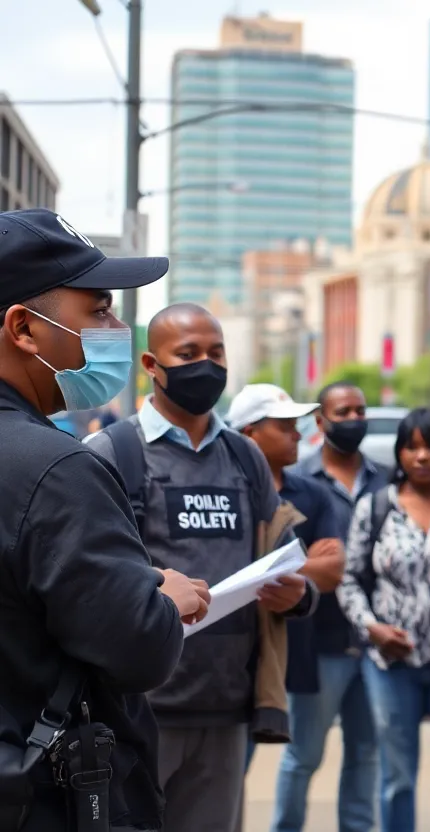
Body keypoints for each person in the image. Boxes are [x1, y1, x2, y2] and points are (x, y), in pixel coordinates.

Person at [0, 208, 210, 831]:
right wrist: (163, 599)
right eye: (98, 310)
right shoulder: (56, 470)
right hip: (42, 800)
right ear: (23, 328)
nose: (120, 327)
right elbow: (137, 651)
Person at [85, 303, 318, 832]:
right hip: (138, 708)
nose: (205, 366)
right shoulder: (111, 452)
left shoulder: (245, 457)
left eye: (216, 353)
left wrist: (297, 594)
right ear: (151, 363)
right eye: (187, 354)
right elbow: (89, 580)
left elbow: (274, 556)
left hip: (226, 705)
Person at [336, 407, 430, 832]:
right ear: (400, 452)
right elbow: (349, 582)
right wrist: (372, 629)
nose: (421, 456)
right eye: (411, 446)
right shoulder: (376, 507)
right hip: (390, 665)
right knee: (396, 780)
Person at [279, 381, 385, 832]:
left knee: (365, 754)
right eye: (343, 412)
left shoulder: (387, 479)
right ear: (321, 422)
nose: (354, 420)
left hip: (376, 643)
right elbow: (292, 561)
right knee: (304, 754)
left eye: (360, 410)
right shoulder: (299, 482)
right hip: (319, 643)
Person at [225, 384, 346, 774]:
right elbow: (219, 570)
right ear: (249, 434)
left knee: (304, 757)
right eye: (284, 426)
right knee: (229, 771)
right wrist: (297, 563)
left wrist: (255, 569)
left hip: (300, 646)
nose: (298, 434)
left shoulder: (313, 492)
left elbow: (331, 571)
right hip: (233, 652)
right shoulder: (225, 492)